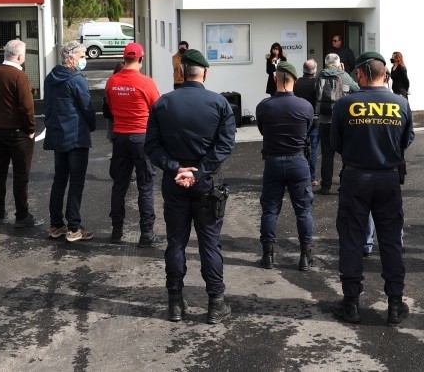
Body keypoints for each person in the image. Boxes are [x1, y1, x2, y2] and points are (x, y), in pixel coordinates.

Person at [145, 49, 237, 324]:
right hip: (207, 183)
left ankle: (175, 303)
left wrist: (177, 168)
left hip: (175, 182)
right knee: (210, 243)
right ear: (205, 73)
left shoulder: (163, 103)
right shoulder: (219, 103)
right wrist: (200, 172)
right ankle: (215, 304)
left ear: (182, 72)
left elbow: (152, 147)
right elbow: (225, 145)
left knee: (176, 241)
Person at [330, 52, 414, 326]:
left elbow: (336, 143)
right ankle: (395, 303)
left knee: (352, 239)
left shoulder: (345, 104)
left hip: (355, 177)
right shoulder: (401, 103)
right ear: (384, 74)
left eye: (357, 74)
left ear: (363, 74)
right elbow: (406, 140)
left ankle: (351, 303)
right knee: (391, 241)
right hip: (388, 179)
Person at [256, 60, 315, 271]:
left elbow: (262, 130)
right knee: (303, 211)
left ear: (275, 79)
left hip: (273, 161)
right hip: (298, 161)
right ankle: (305, 257)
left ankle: (268, 256)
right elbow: (308, 128)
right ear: (295, 81)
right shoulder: (305, 106)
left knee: (270, 210)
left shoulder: (264, 106)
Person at [106, 42, 162, 247]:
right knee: (145, 185)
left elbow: (110, 107)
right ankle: (146, 233)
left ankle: (116, 231)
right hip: (141, 137)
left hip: (120, 137)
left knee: (119, 184)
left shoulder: (112, 81)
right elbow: (157, 109)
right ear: (140, 59)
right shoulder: (146, 82)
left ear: (124, 58)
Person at [0, 39, 41, 228]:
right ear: (20, 56)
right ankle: (22, 216)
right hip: (18, 133)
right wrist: (31, 129)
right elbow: (26, 107)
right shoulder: (19, 75)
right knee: (20, 174)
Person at [44, 41, 97, 242]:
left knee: (59, 180)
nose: (85, 59)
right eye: (82, 56)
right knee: (76, 181)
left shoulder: (50, 78)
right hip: (76, 136)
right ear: (71, 57)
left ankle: (56, 225)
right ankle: (74, 227)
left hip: (58, 135)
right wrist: (92, 125)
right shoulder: (76, 80)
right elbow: (87, 107)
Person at [315, 53, 357, 195]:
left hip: (324, 121)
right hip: (342, 122)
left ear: (325, 63)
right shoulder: (344, 76)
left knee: (327, 155)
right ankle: (345, 184)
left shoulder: (320, 75)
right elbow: (357, 89)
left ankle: (325, 186)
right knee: (346, 154)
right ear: (339, 64)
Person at [292, 59, 321, 187]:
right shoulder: (318, 83)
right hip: (314, 119)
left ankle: (298, 176)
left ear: (303, 69)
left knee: (299, 148)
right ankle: (312, 178)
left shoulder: (297, 82)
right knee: (314, 148)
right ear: (315, 70)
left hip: (299, 120)